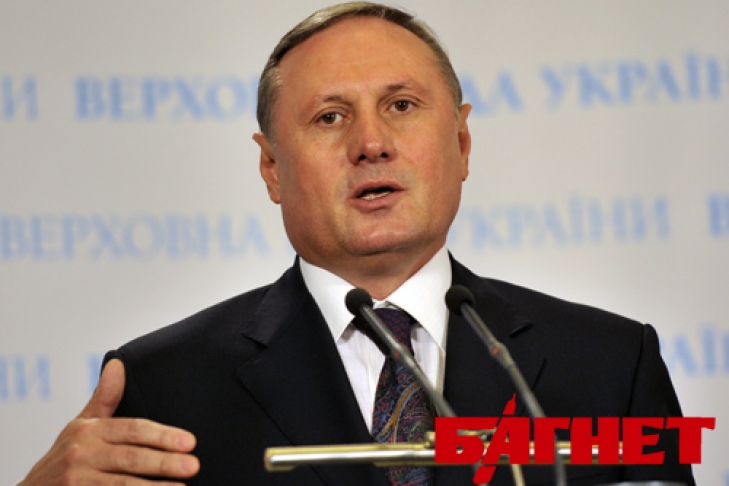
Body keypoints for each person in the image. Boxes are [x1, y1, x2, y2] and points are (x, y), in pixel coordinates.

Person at [20, 2, 694, 485]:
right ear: (271, 168)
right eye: (329, 117)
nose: (370, 143)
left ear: (461, 143)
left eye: (401, 105)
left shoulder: (609, 364)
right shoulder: (166, 385)